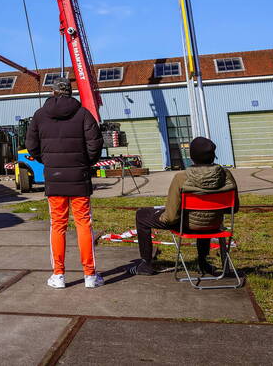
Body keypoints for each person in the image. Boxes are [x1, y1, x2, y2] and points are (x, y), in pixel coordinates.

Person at [25, 77, 105, 289]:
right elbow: (95, 145)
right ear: (70, 92)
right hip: (79, 179)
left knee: (58, 226)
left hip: (55, 179)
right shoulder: (83, 114)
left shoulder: (39, 116)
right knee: (83, 225)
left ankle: (58, 275)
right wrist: (84, 163)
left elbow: (31, 146)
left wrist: (48, 161)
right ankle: (90, 275)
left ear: (53, 92)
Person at [130, 136, 239, 276]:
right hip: (214, 224)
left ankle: (145, 263)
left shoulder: (181, 177)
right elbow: (234, 208)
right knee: (203, 215)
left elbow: (171, 217)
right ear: (213, 156)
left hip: (187, 225)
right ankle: (203, 262)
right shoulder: (226, 175)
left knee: (141, 215)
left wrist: (161, 214)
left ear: (192, 157)